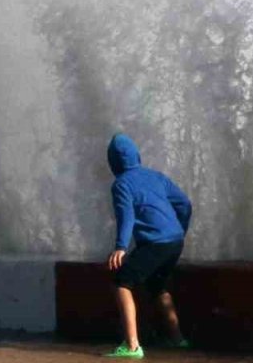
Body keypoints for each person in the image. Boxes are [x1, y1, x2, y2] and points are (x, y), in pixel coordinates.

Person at [103, 133, 192, 359]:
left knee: (121, 282)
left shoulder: (121, 184)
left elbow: (126, 216)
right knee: (157, 286)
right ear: (137, 156)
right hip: (175, 240)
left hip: (156, 243)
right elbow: (185, 203)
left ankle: (132, 346)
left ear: (112, 162)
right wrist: (179, 228)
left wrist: (121, 247)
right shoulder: (156, 176)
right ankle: (177, 339)